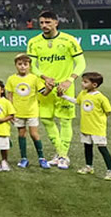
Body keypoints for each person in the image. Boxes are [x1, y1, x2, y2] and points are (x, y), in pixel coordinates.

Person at [27, 10, 86, 170]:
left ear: (56, 22)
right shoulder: (33, 42)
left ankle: (62, 156)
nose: (44, 26)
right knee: (46, 120)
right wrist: (44, 78)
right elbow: (31, 65)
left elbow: (81, 63)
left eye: (48, 22)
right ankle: (61, 154)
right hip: (45, 87)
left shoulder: (69, 40)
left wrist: (69, 80)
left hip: (64, 87)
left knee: (65, 121)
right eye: (42, 23)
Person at [5, 54, 47, 169]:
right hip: (18, 112)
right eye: (20, 64)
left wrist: (49, 87)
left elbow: (44, 92)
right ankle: (24, 158)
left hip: (32, 112)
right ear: (15, 65)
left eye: (25, 64)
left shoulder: (34, 78)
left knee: (34, 134)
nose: (22, 67)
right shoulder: (11, 79)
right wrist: (10, 112)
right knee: (21, 134)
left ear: (29, 66)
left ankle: (42, 158)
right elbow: (10, 96)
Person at [74, 72, 111, 180]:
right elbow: (77, 102)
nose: (82, 84)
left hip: (97, 127)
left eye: (85, 82)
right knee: (87, 147)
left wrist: (98, 119)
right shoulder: (83, 94)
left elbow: (108, 111)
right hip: (85, 126)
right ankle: (89, 167)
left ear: (94, 85)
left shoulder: (101, 98)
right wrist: (63, 96)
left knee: (102, 148)